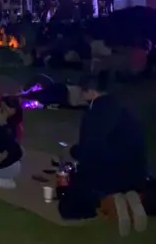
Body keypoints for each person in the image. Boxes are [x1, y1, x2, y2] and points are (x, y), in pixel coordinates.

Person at [63, 75, 147, 230]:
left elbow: (89, 151)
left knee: (72, 195)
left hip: (110, 174)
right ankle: (130, 195)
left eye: (83, 92)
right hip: (136, 173)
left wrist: (73, 151)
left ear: (90, 92)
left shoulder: (94, 114)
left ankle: (113, 199)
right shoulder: (123, 108)